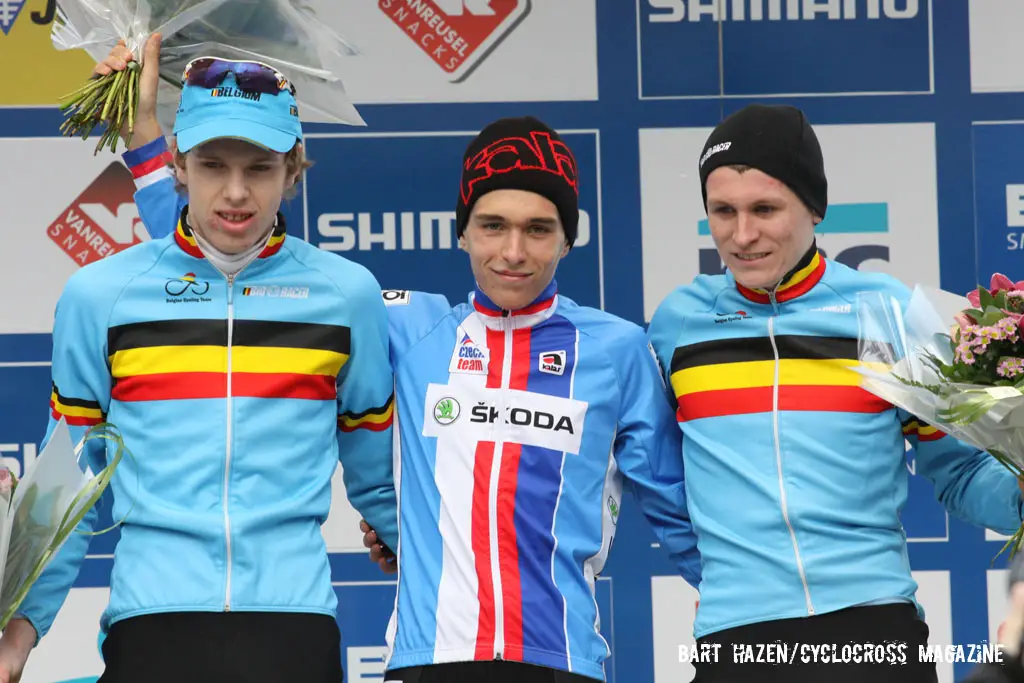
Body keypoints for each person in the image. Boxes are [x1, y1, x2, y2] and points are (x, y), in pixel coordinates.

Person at [127, 108, 704, 679]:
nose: (512, 252)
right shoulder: (408, 328)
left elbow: (678, 508)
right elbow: (242, 269)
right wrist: (147, 139)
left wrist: (747, 617)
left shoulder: (618, 350)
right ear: (462, 232)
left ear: (567, 240)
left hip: (563, 661)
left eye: (538, 229)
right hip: (427, 662)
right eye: (492, 225)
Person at [0, 37, 398, 683]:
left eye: (261, 167)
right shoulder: (103, 294)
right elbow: (67, 481)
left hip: (294, 622)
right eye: (213, 165)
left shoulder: (346, 294)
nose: (235, 193)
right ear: (178, 165)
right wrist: (21, 633)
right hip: (152, 619)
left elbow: (380, 484)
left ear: (294, 171)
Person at [646, 103, 1024, 683]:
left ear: (814, 208)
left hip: (873, 631)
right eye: (723, 211)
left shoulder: (886, 312)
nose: (741, 235)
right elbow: (662, 480)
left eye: (765, 209)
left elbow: (960, 471)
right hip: (736, 638)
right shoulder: (679, 323)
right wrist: (718, 576)